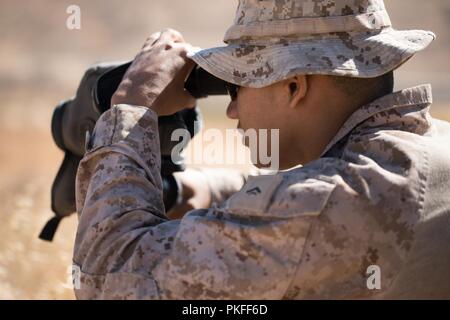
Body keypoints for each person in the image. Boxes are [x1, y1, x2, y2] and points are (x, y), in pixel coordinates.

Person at [73, 0, 450, 299]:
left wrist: (131, 107)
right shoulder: (424, 147)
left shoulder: (326, 205)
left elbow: (106, 278)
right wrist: (194, 190)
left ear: (293, 86)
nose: (233, 109)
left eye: (236, 85)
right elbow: (310, 195)